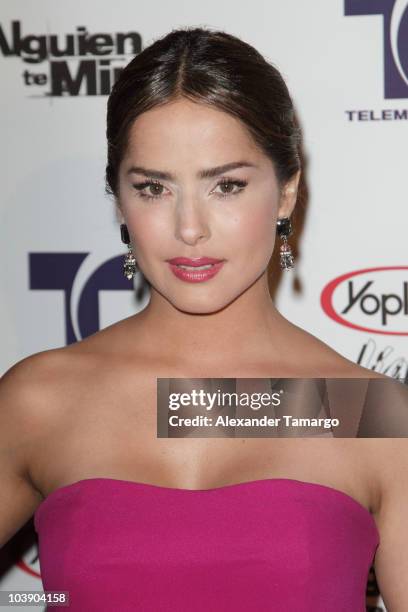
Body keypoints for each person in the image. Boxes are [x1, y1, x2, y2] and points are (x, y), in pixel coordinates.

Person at [1, 26, 407, 611]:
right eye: (153, 188)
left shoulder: (370, 412)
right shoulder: (42, 398)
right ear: (119, 200)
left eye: (227, 185)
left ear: (287, 192)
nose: (189, 228)